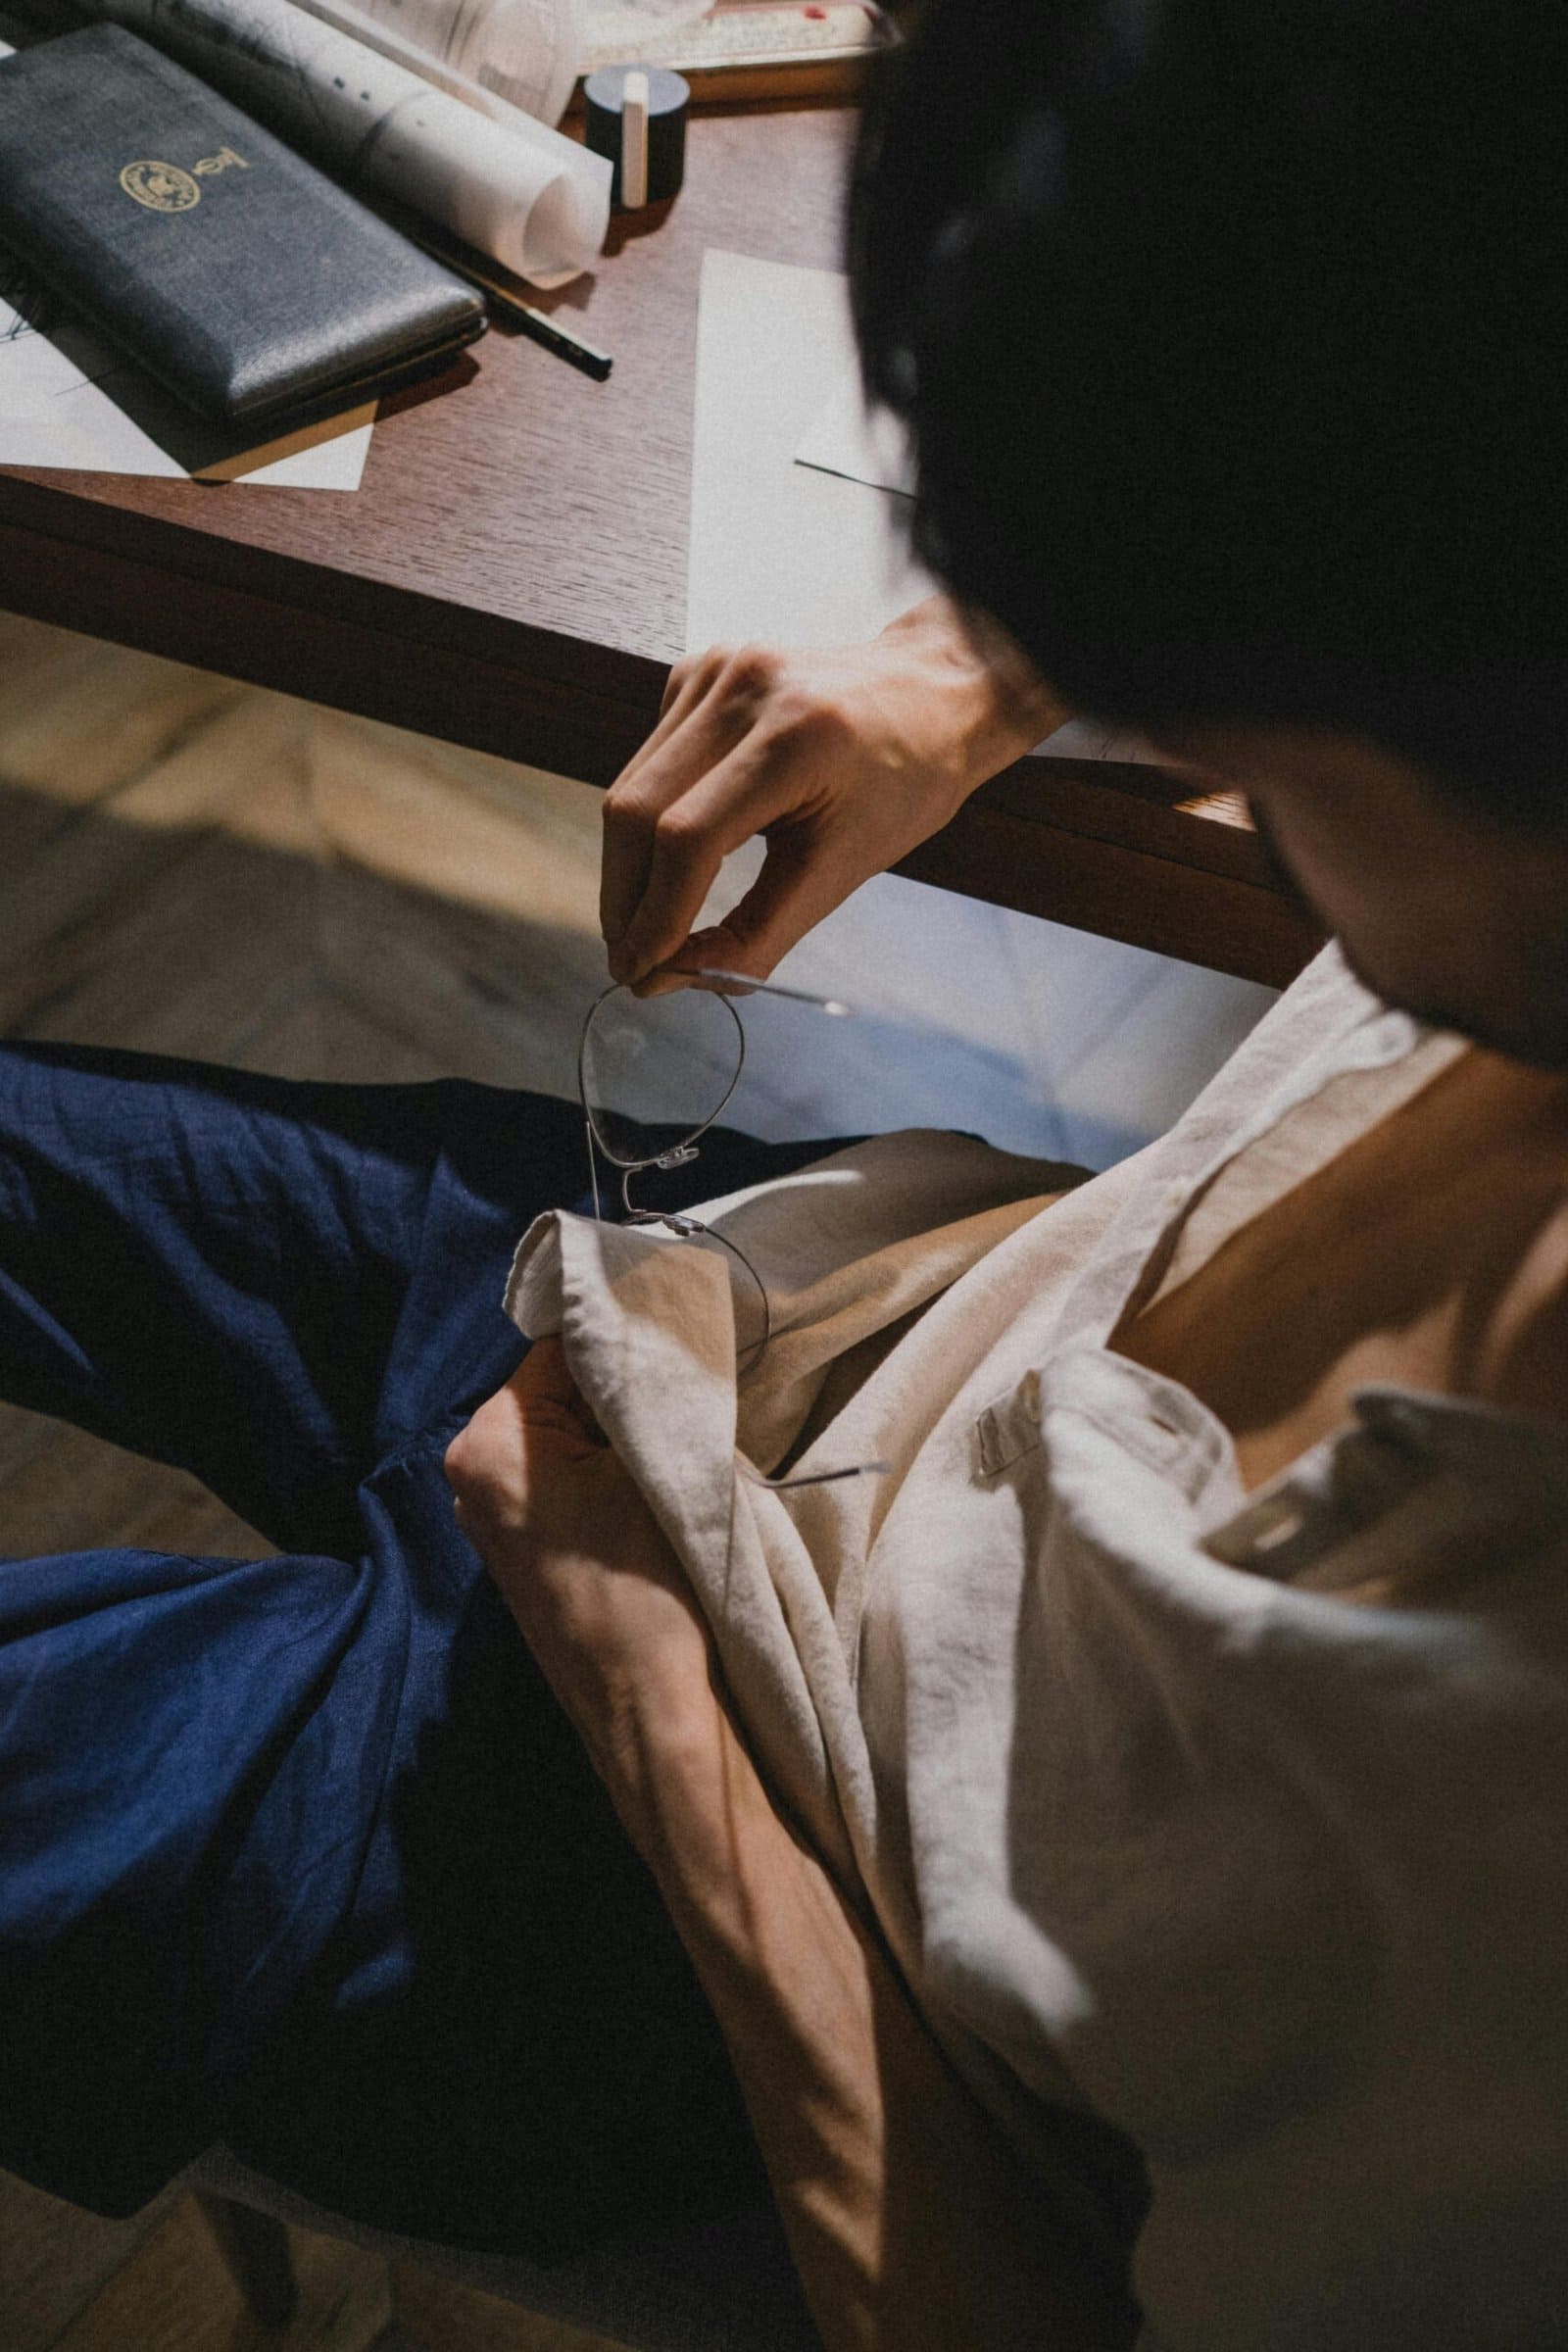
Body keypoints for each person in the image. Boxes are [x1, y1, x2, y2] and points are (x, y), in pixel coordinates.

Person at [4, 3, 1566, 2347]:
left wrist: (648, 1694)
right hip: (764, 1317)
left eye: (1267, 741)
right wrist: (991, 650)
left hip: (629, 1903)